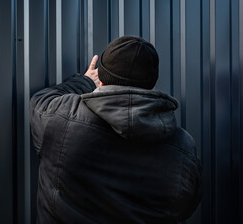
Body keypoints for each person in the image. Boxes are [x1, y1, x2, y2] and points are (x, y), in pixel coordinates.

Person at [30, 36, 202, 223]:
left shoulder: (62, 117)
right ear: (151, 84)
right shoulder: (183, 148)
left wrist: (85, 82)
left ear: (102, 80)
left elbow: (40, 101)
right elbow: (185, 206)